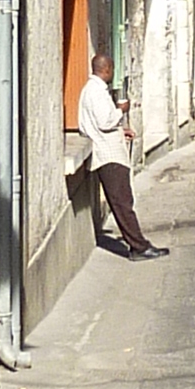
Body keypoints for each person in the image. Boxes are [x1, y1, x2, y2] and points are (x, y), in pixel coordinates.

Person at [77, 48, 163, 257]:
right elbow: (105, 120)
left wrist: (120, 130)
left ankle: (139, 244)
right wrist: (121, 110)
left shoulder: (94, 90)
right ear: (106, 69)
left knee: (124, 200)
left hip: (110, 151)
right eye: (112, 69)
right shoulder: (96, 92)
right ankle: (138, 247)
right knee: (122, 202)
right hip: (109, 156)